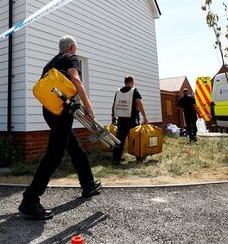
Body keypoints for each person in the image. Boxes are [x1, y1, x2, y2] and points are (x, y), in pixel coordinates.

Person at [19, 35, 102, 220]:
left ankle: (88, 184)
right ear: (72, 48)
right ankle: (30, 200)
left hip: (49, 111)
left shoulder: (50, 64)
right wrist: (89, 108)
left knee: (74, 147)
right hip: (62, 112)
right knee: (55, 154)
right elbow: (76, 80)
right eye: (76, 49)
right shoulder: (70, 58)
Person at [111, 76, 149, 165]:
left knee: (119, 140)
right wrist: (145, 116)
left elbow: (114, 104)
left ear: (124, 82)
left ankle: (115, 159)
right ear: (132, 82)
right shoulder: (134, 91)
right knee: (136, 139)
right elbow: (139, 103)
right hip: (132, 120)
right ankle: (139, 158)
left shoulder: (118, 91)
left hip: (121, 120)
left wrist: (113, 116)